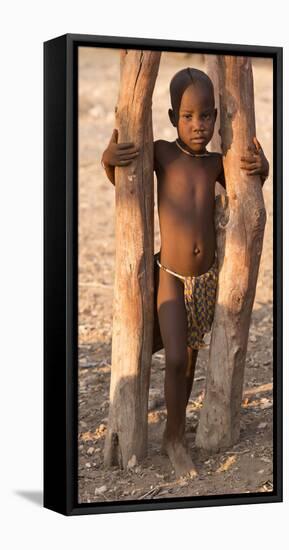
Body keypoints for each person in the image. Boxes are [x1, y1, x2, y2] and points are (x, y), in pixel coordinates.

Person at [101, 67, 269, 478]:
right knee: (175, 356)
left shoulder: (216, 163)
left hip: (207, 280)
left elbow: (251, 185)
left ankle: (174, 430)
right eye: (189, 116)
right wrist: (108, 157)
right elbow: (122, 175)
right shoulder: (162, 153)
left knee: (189, 362)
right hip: (171, 273)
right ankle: (175, 441)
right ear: (173, 115)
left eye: (208, 116)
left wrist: (263, 167)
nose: (199, 125)